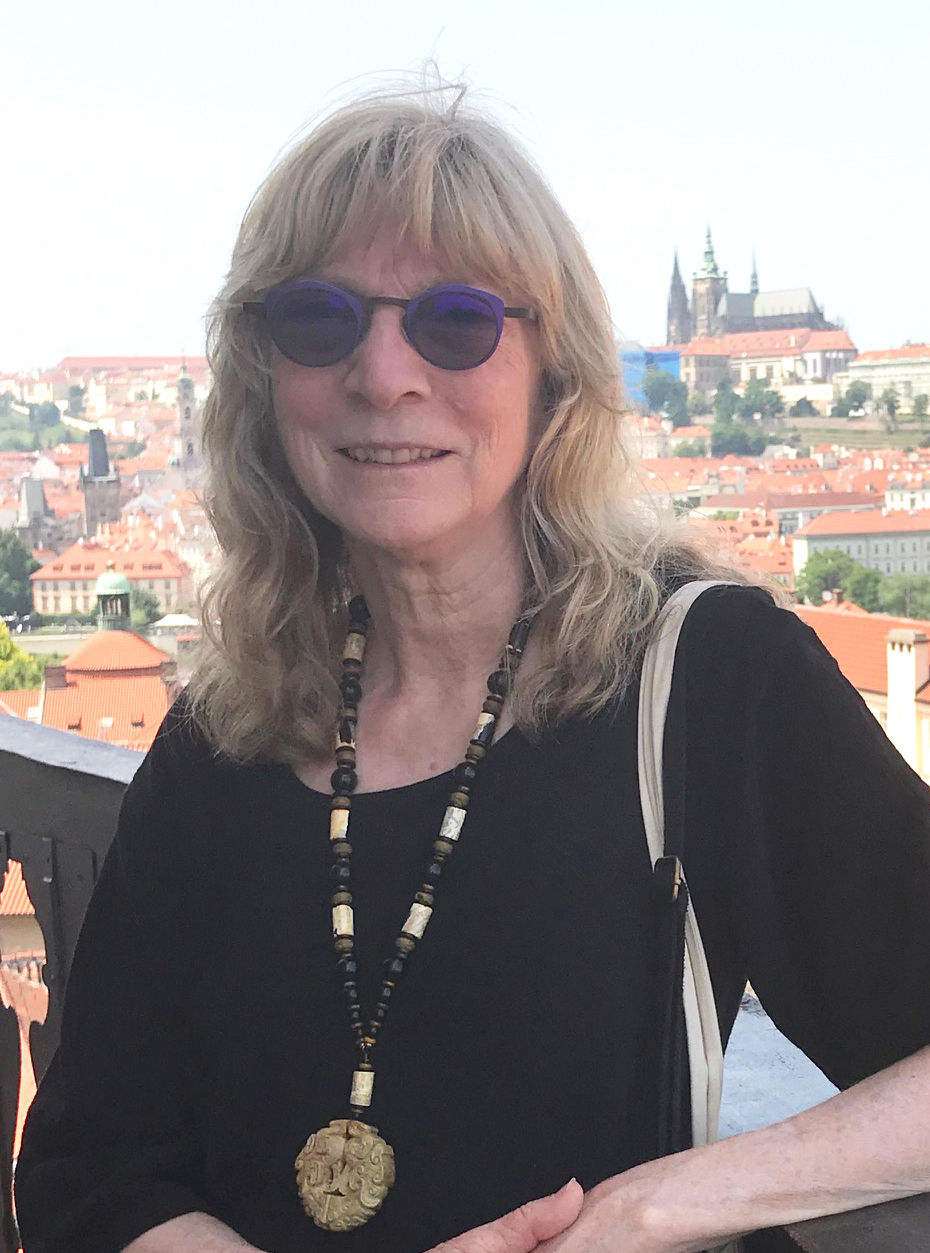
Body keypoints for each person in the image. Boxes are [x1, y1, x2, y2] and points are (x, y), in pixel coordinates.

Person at [15, 83, 930, 1253]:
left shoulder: (709, 679)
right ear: (265, 376)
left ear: (555, 372)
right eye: (319, 318)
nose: (385, 372)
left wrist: (676, 1197)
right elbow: (92, 1165)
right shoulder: (226, 727)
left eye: (455, 321)